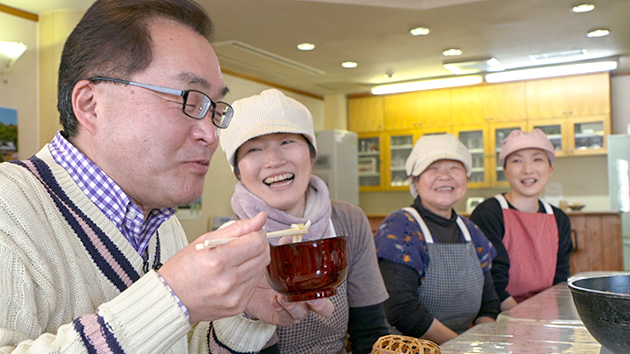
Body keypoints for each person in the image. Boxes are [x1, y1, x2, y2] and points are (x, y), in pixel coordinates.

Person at [0, 1, 327, 352]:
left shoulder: (161, 225)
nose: (210, 134)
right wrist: (171, 298)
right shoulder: (11, 208)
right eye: (189, 99)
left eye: (213, 109)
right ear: (91, 104)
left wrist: (243, 314)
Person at [216, 88, 390, 354]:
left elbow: (370, 331)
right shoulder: (231, 243)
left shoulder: (349, 221)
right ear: (237, 171)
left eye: (287, 142)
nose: (274, 161)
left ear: (311, 154)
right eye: (254, 148)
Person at [373, 134, 499, 345]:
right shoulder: (401, 227)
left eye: (454, 168)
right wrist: (459, 346)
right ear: (415, 180)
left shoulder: (471, 231)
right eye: (432, 168)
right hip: (407, 348)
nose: (445, 176)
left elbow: (489, 304)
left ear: (466, 177)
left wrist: (481, 343)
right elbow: (400, 308)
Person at [470, 128, 573, 310]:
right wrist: (524, 318)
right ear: (505, 170)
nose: (527, 169)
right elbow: (492, 281)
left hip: (547, 312)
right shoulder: (488, 213)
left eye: (537, 159)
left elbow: (560, 279)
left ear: (550, 169)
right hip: (500, 314)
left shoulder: (559, 219)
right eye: (517, 160)